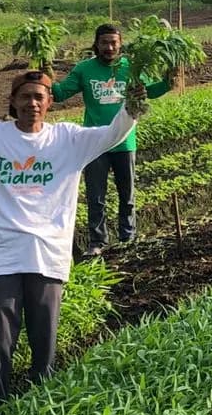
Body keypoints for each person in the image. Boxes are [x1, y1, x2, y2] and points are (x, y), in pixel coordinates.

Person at [0, 70, 142, 406]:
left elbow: (115, 133)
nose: (32, 103)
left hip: (48, 254)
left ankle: (39, 406)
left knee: (43, 341)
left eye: (39, 97)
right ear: (13, 102)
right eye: (25, 96)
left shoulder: (68, 140)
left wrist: (133, 104)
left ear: (49, 102)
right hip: (2, 256)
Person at [51, 22, 171, 254]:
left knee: (127, 194)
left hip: (124, 141)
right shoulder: (85, 69)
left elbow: (150, 91)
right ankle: (98, 243)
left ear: (120, 44)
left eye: (113, 42)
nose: (109, 47)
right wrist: (47, 81)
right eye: (104, 42)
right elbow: (62, 93)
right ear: (96, 44)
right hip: (94, 143)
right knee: (96, 196)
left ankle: (128, 237)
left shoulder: (131, 67)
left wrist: (168, 81)